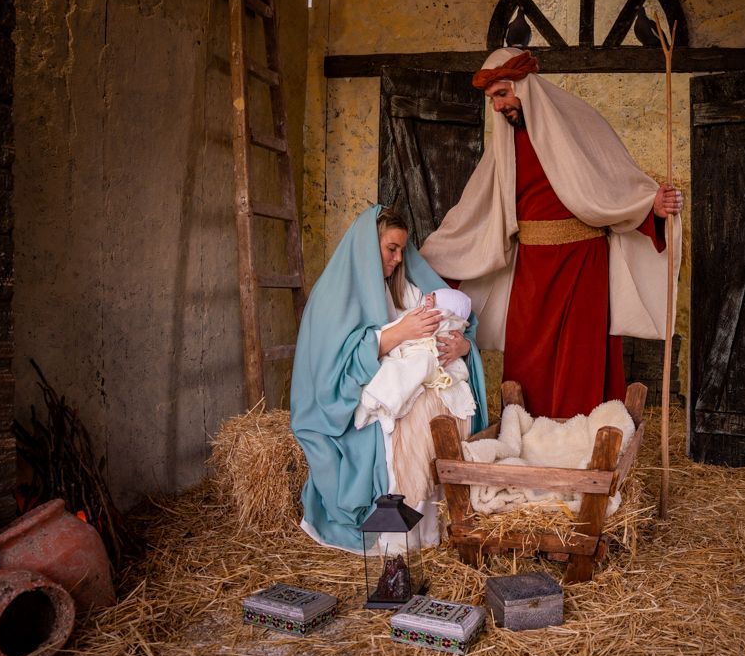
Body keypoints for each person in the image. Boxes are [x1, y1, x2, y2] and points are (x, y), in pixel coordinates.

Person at [420, 48, 683, 418]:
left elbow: (614, 186)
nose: (497, 107)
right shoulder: (504, 144)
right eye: (491, 99)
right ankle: (526, 441)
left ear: (524, 88)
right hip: (532, 267)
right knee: (528, 359)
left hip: (584, 264)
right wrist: (435, 259)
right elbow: (477, 209)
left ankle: (582, 447)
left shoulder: (580, 123)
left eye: (502, 94)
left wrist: (650, 207)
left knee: (581, 358)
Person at [290, 205, 488, 553]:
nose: (398, 259)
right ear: (368, 246)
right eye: (390, 249)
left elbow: (446, 322)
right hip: (350, 399)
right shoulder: (332, 296)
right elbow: (330, 370)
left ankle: (434, 525)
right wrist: (399, 334)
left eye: (401, 250)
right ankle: (398, 534)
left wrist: (460, 348)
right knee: (411, 414)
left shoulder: (403, 289)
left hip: (410, 379)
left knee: (447, 400)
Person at [353, 287, 476, 434]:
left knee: (409, 371)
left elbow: (441, 322)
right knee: (392, 369)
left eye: (435, 299)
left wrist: (465, 347)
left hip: (423, 355)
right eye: (431, 296)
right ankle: (371, 404)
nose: (428, 298)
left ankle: (386, 408)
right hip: (400, 352)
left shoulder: (446, 318)